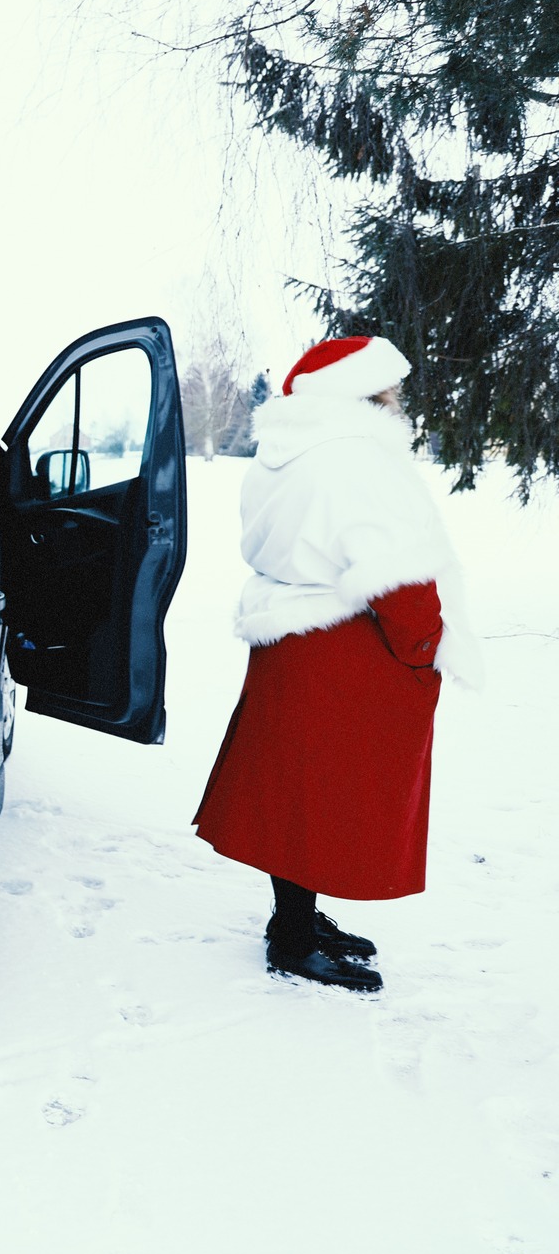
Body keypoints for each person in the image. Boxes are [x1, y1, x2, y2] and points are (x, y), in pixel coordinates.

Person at [194, 336, 481, 992]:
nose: (398, 404)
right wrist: (423, 647)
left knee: (296, 794)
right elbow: (395, 570)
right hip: (349, 648)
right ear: (363, 396)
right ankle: (293, 943)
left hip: (290, 638)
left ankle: (295, 919)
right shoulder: (358, 458)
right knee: (324, 799)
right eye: (389, 392)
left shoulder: (282, 451)